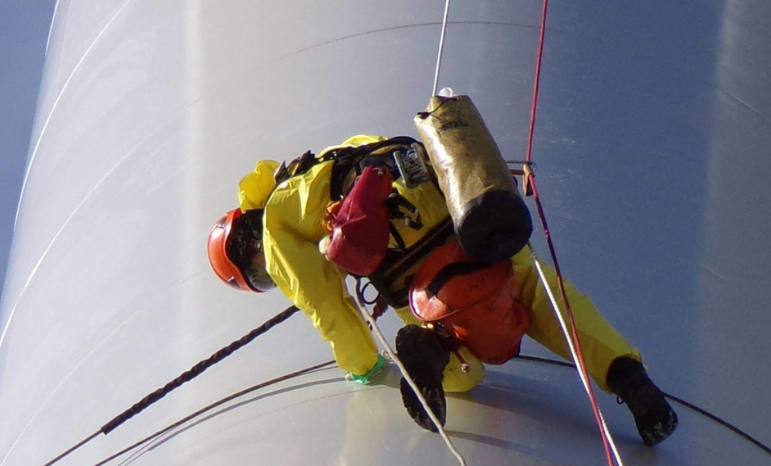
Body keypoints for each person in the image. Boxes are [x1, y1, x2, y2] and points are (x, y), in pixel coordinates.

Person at [207, 135, 677, 445]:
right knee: (535, 290)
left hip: (408, 258)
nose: (267, 272)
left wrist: (365, 368)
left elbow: (328, 309)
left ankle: (429, 348)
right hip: (458, 216)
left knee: (465, 373)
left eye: (258, 272)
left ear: (248, 237)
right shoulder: (333, 156)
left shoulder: (276, 227)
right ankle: (627, 375)